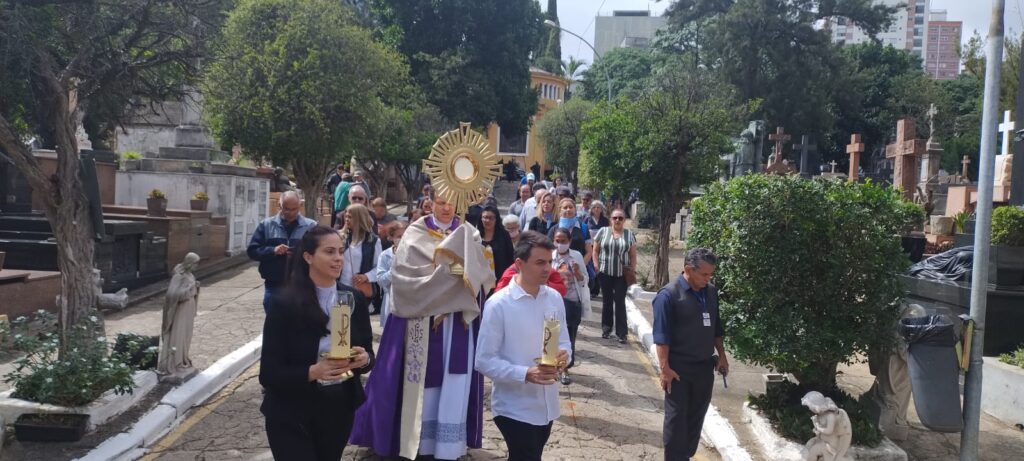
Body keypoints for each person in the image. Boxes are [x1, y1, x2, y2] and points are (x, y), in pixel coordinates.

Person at [350, 193, 496, 461]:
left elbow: (484, 277)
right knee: (421, 382)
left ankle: (448, 446)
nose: (446, 208)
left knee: (454, 380)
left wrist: (469, 271)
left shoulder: (469, 233)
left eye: (452, 203)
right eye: (441, 202)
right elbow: (404, 278)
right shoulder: (415, 232)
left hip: (457, 323)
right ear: (430, 202)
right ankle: (414, 441)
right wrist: (444, 275)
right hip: (421, 322)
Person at [259, 225, 374, 461]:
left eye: (340, 251)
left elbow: (368, 354)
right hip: (291, 411)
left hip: (337, 408)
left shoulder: (354, 298)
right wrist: (313, 371)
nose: (338, 258)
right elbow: (269, 374)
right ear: (308, 256)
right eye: (329, 251)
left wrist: (364, 359)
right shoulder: (284, 304)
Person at [476, 231, 571, 461]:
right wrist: (525, 374)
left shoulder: (554, 298)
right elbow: (483, 360)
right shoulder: (499, 304)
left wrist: (562, 359)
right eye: (540, 262)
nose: (548, 268)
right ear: (519, 264)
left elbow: (565, 342)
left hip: (547, 405)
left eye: (550, 261)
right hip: (514, 408)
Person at [652, 248, 728, 461]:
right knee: (676, 422)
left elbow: (716, 327)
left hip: (704, 369)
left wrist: (721, 355)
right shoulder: (668, 296)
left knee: (696, 419)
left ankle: (685, 456)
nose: (708, 278)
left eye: (710, 274)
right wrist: (664, 369)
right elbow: (661, 336)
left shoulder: (710, 292)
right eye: (704, 274)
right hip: (678, 370)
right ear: (687, 269)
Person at [248, 191, 318, 313]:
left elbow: (318, 253)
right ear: (279, 206)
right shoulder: (267, 225)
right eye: (286, 209)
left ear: (300, 206)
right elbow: (252, 251)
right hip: (274, 283)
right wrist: (273, 250)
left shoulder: (311, 226)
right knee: (273, 321)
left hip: (302, 283)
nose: (290, 213)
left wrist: (300, 254)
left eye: (294, 209)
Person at [592, 208, 636, 343]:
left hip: (621, 275)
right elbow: (595, 251)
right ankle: (606, 329)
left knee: (620, 302)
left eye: (620, 218)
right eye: (615, 218)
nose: (617, 220)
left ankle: (622, 333)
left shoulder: (629, 235)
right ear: (610, 219)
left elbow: (633, 255)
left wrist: (632, 270)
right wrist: (596, 267)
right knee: (607, 301)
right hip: (605, 273)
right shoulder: (603, 232)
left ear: (624, 220)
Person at [552, 227, 589, 385]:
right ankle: (552, 367)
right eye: (557, 241)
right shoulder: (550, 256)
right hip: (553, 301)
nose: (560, 244)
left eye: (564, 241)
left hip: (572, 301)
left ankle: (565, 368)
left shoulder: (577, 256)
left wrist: (578, 273)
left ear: (570, 242)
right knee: (552, 335)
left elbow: (584, 280)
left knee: (569, 336)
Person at [340, 204, 382, 314]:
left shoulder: (373, 242)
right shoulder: (340, 238)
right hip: (339, 291)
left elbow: (379, 267)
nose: (347, 219)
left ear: (359, 218)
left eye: (350, 217)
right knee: (339, 327)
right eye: (346, 216)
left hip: (360, 291)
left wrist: (366, 276)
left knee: (358, 328)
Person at [375, 220, 407, 327]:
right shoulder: (385, 255)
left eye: (405, 235)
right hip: (391, 300)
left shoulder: (415, 253)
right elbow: (381, 280)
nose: (402, 239)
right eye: (399, 236)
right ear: (391, 238)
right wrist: (395, 268)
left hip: (409, 300)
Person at [477, 205, 515, 286]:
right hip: (480, 280)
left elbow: (510, 257)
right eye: (485, 217)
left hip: (500, 279)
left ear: (496, 219)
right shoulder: (475, 236)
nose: (487, 220)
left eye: (491, 218)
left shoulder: (504, 235)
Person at [584, 200, 609, 296]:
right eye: (594, 207)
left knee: (599, 267)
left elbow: (608, 232)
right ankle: (591, 288)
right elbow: (585, 231)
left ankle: (596, 290)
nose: (596, 209)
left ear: (602, 209)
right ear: (591, 209)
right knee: (590, 267)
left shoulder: (605, 220)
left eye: (598, 207)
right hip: (590, 247)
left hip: (601, 247)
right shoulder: (587, 219)